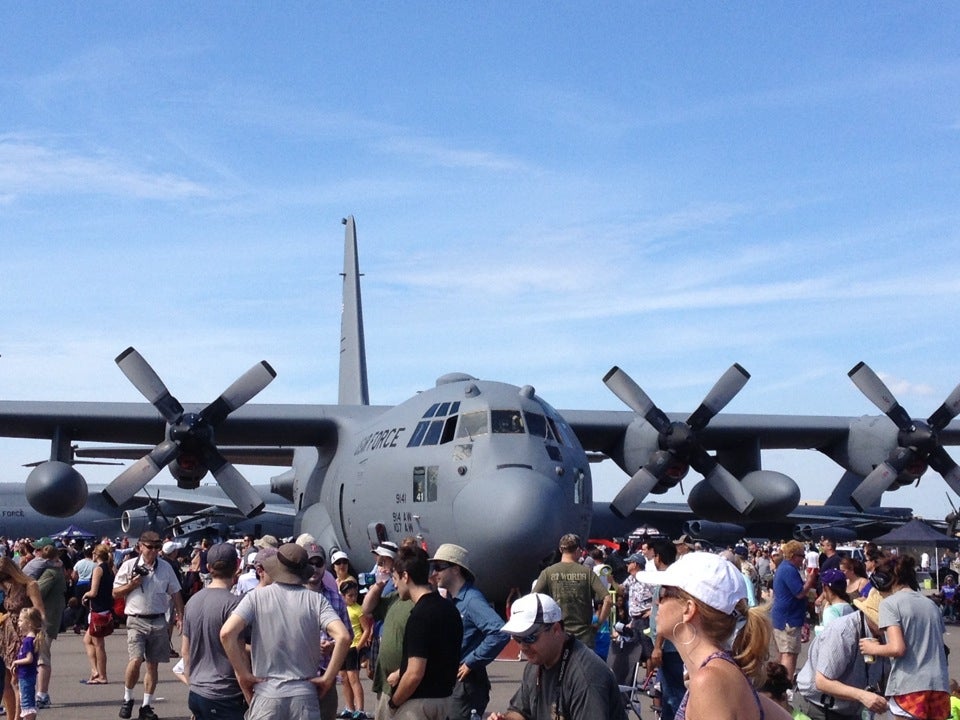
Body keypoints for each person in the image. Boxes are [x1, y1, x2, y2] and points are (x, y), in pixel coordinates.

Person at [633, 550, 790, 720]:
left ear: (688, 609)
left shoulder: (709, 680)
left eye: (664, 592)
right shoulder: (719, 672)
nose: (657, 601)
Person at [220, 542, 351, 720]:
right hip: (304, 693)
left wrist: (243, 674)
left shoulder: (256, 597)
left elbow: (227, 633)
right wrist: (328, 678)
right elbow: (343, 636)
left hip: (267, 691)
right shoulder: (316, 600)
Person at [487, 592, 627, 720]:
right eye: (517, 638)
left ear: (555, 630)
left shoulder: (586, 676)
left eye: (530, 638)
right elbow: (521, 712)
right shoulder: (535, 663)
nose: (523, 646)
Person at [858, 553, 950, 720]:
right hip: (939, 685)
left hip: (910, 686)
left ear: (886, 580)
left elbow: (897, 648)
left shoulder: (890, 604)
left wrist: (872, 648)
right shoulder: (931, 604)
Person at [428, 543, 509, 719]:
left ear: (456, 569)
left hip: (466, 684)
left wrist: (471, 661)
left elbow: (500, 632)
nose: (434, 573)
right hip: (454, 682)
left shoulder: (471, 600)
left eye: (439, 567)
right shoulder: (453, 599)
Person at [113, 530, 186, 720]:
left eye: (157, 547)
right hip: (136, 619)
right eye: (149, 547)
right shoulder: (129, 566)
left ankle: (146, 705)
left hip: (159, 619)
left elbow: (176, 592)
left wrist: (180, 616)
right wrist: (132, 585)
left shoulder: (166, 568)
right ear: (140, 547)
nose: (153, 551)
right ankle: (128, 698)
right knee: (136, 660)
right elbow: (116, 592)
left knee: (153, 665)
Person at [383, 546, 462, 720]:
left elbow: (414, 674)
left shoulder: (419, 616)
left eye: (395, 578)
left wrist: (394, 702)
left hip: (418, 706)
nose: (394, 585)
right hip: (446, 701)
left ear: (405, 576)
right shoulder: (451, 609)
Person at [795, 587, 889, 720]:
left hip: (849, 709)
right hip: (817, 708)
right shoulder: (843, 632)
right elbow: (822, 682)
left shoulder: (887, 635)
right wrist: (862, 695)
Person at [179, 542, 245, 720]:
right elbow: (240, 652)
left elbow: (185, 651)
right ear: (237, 566)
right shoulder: (234, 604)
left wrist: (192, 683)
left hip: (198, 690)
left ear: (208, 567)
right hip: (225, 693)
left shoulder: (193, 601)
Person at [532, 533, 611, 650]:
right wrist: (598, 624)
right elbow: (608, 599)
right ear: (578, 550)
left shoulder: (548, 573)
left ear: (560, 549)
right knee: (584, 667)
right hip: (584, 636)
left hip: (557, 634)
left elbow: (533, 599)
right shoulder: (587, 573)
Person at [23, 537, 66, 709]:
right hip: (47, 617)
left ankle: (42, 694)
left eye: (38, 550)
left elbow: (36, 590)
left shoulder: (50, 573)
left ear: (45, 552)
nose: (35, 553)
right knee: (40, 656)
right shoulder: (53, 569)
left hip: (45, 620)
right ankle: (41, 694)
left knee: (42, 657)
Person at [0, 556, 45, 719]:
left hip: (22, 634)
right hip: (7, 634)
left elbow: (40, 612)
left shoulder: (29, 585)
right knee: (7, 679)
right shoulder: (8, 585)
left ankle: (19, 717)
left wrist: (35, 634)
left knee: (16, 680)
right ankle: (12, 716)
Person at [645, 539, 685, 720]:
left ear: (658, 557)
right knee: (669, 696)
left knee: (674, 697)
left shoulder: (668, 582)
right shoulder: (675, 578)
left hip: (669, 648)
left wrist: (658, 646)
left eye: (654, 556)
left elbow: (667, 615)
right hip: (671, 647)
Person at [772, 540, 817, 679]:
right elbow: (799, 593)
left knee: (783, 651)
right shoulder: (788, 570)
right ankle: (786, 684)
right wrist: (810, 580)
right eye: (801, 556)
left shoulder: (785, 568)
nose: (803, 559)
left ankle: (779, 681)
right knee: (789, 653)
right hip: (788, 618)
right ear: (793, 555)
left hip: (783, 616)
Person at [606, 552, 652, 686]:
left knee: (648, 650)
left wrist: (652, 611)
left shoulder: (647, 578)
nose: (627, 564)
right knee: (633, 648)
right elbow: (621, 590)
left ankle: (648, 681)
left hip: (644, 619)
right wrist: (611, 581)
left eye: (629, 562)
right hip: (635, 619)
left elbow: (658, 593)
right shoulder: (631, 578)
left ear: (636, 564)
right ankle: (632, 679)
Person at [338, 579, 372, 720]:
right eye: (349, 595)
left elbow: (366, 629)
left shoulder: (358, 610)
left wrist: (359, 647)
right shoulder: (341, 609)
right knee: (344, 678)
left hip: (353, 647)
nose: (353, 598)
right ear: (343, 596)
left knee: (354, 679)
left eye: (355, 595)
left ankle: (360, 709)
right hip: (342, 647)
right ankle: (349, 707)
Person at [81, 543, 115, 684]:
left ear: (96, 554)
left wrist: (85, 595)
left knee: (99, 644)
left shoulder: (98, 569)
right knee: (87, 640)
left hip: (99, 609)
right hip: (105, 607)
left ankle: (102, 675)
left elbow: (93, 591)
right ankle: (94, 670)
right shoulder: (110, 568)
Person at [10, 608, 44, 720]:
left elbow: (29, 659)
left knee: (26, 702)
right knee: (27, 699)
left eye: (20, 621)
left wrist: (16, 662)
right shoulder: (31, 639)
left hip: (26, 675)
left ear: (29, 624)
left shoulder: (28, 640)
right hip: (27, 675)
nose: (18, 623)